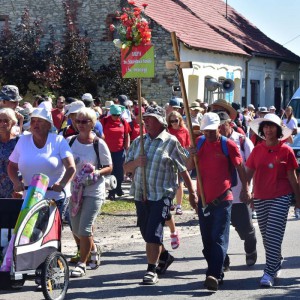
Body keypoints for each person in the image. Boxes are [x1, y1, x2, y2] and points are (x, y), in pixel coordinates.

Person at [124, 105, 198, 285]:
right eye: (145, 119)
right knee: (145, 230)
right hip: (141, 194)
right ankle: (164, 255)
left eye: (150, 119)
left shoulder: (170, 141)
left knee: (153, 232)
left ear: (160, 122)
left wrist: (192, 193)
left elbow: (185, 168)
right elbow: (126, 168)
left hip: (162, 194)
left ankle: (151, 269)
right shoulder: (138, 141)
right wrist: (136, 162)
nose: (146, 122)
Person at [186, 112, 250, 291]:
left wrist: (245, 189)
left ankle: (214, 275)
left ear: (219, 127)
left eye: (212, 131)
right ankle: (216, 269)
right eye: (205, 131)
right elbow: (189, 167)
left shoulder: (228, 145)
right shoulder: (198, 143)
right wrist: (192, 155)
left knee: (219, 238)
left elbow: (240, 168)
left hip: (223, 199)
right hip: (204, 201)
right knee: (207, 240)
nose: (209, 134)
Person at [246, 113, 300, 287]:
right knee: (267, 237)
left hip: (281, 197)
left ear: (278, 130)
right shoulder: (257, 149)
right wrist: (247, 191)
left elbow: (293, 178)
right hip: (261, 197)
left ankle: (269, 273)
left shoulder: (286, 150)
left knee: (273, 236)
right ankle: (276, 261)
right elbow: (248, 173)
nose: (268, 130)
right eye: (266, 127)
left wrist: (298, 199)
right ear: (262, 130)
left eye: (272, 126)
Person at [7, 108, 76, 221]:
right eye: (33, 121)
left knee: (49, 234)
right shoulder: (23, 140)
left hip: (55, 198)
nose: (36, 124)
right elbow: (12, 166)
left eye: (40, 121)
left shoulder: (58, 140)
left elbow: (71, 168)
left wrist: (62, 184)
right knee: (28, 233)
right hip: (30, 197)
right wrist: (16, 182)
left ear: (49, 125)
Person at [68, 107, 113, 277]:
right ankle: (93, 250)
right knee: (74, 227)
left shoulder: (98, 143)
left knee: (85, 229)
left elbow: (109, 167)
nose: (80, 125)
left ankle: (82, 263)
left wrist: (96, 173)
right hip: (75, 191)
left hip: (93, 191)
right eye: (78, 121)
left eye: (85, 122)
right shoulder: (70, 141)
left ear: (92, 123)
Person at [217, 111, 257, 271]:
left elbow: (255, 166)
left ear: (230, 124)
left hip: (241, 193)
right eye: (216, 126)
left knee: (245, 229)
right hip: (220, 195)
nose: (219, 129)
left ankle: (251, 249)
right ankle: (223, 261)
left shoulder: (242, 141)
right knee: (220, 230)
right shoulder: (214, 142)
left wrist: (251, 191)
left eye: (222, 125)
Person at [101, 104, 131, 200]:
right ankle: (111, 192)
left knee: (119, 171)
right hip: (107, 151)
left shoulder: (123, 121)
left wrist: (127, 146)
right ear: (111, 113)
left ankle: (118, 187)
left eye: (118, 115)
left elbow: (127, 135)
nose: (116, 117)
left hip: (119, 150)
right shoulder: (104, 121)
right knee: (110, 171)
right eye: (114, 115)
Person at [167, 111, 191, 215]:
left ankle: (179, 206)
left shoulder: (184, 131)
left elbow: (187, 146)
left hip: (180, 158)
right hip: (169, 157)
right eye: (171, 121)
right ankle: (170, 202)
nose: (174, 123)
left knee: (179, 183)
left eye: (176, 120)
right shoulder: (167, 131)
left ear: (180, 120)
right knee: (169, 181)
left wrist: (188, 161)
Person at [0, 108, 20, 198]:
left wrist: (20, 184)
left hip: (14, 189)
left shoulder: (19, 142)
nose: (2, 124)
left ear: (13, 122)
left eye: (6, 121)